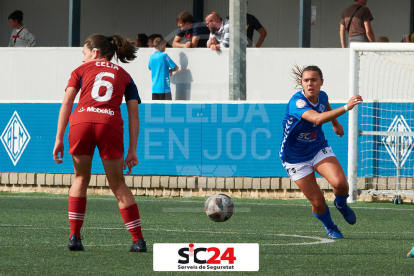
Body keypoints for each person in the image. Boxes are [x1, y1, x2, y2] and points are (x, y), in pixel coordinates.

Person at [52, 34, 147, 252]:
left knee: (80, 178)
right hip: (110, 124)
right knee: (118, 184)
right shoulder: (125, 75)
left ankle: (74, 237)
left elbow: (67, 102)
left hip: (81, 122)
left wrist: (59, 138)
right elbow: (134, 115)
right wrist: (132, 150)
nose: (83, 58)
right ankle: (138, 240)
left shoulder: (79, 71)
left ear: (95, 52)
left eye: (84, 53)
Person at [279, 65, 363, 239]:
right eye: (306, 80)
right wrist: (346, 108)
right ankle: (330, 226)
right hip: (295, 158)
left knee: (340, 183)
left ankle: (341, 204)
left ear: (321, 82)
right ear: (301, 83)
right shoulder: (298, 102)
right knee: (318, 202)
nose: (310, 84)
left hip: (317, 148)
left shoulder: (322, 96)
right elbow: (316, 118)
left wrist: (335, 123)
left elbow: (325, 106)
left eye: (314, 80)